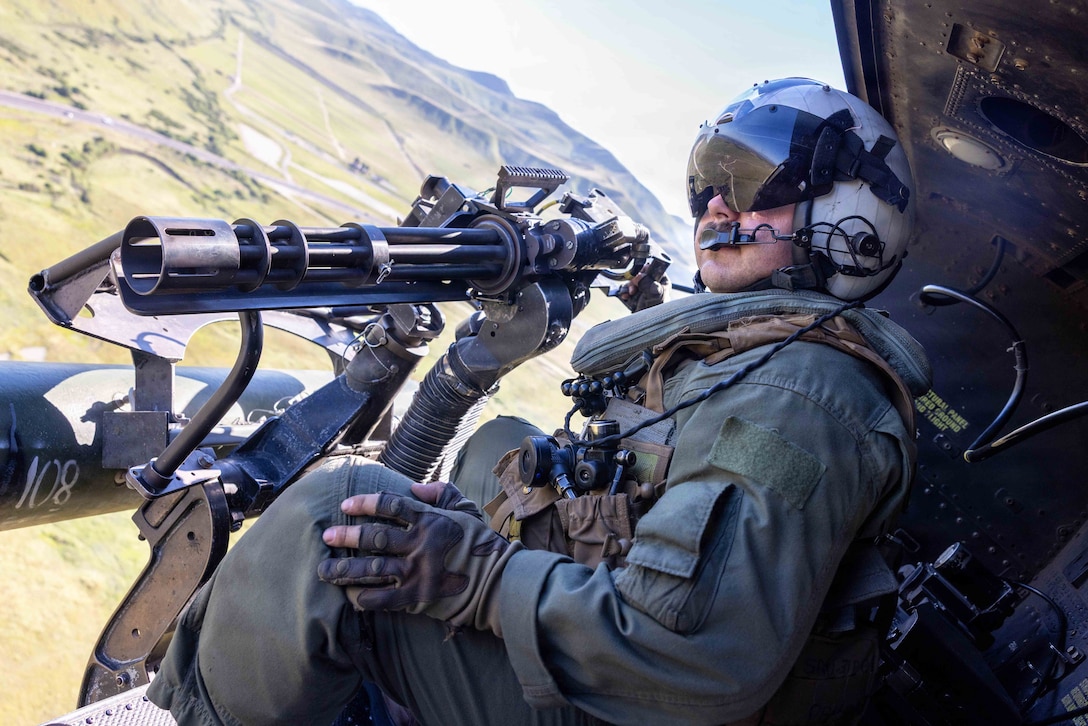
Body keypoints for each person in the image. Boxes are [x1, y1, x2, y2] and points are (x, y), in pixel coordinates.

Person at [147, 78, 931, 726]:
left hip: (639, 704)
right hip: (618, 685)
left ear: (852, 225)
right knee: (490, 458)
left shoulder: (798, 397)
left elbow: (691, 655)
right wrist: (463, 538)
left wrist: (470, 573)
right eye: (707, 189)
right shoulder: (766, 354)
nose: (716, 211)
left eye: (755, 186)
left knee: (336, 522)